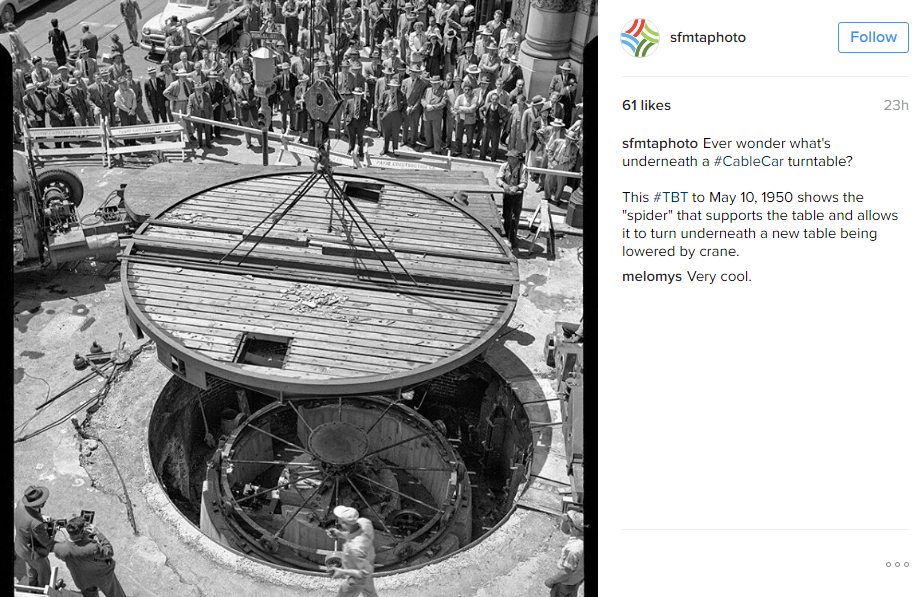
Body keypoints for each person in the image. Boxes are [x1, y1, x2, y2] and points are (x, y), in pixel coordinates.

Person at [54, 516, 127, 597]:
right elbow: (109, 552)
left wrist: (81, 539)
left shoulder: (59, 548)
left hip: (82, 580)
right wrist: (98, 533)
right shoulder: (92, 547)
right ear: (82, 532)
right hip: (102, 576)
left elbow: (73, 551)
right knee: (115, 594)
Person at [326, 506, 379, 597]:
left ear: (346, 524)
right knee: (370, 594)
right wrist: (339, 534)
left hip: (357, 579)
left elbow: (364, 573)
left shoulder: (354, 549)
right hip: (367, 562)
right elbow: (357, 534)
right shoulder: (365, 522)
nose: (338, 521)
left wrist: (340, 572)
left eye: (340, 520)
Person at [14, 486, 54, 587]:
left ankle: (32, 584)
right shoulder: (36, 523)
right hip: (32, 551)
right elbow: (46, 542)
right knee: (44, 571)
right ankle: (43, 589)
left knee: (30, 565)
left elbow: (26, 518)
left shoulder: (20, 503)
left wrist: (41, 517)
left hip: (20, 546)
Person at [544, 510, 585, 597]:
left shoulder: (573, 550)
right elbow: (566, 531)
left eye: (570, 523)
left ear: (574, 528)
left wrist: (551, 580)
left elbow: (566, 573)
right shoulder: (580, 538)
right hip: (577, 580)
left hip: (565, 584)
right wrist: (566, 520)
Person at [496, 149, 527, 251]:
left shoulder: (523, 168)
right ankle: (505, 239)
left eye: (510, 157)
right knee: (506, 216)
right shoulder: (504, 166)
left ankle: (513, 241)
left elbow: (524, 183)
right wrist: (504, 184)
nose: (508, 159)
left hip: (517, 196)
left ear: (516, 159)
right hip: (507, 195)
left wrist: (517, 187)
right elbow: (498, 179)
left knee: (514, 218)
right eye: (508, 157)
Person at [401, 64, 428, 147]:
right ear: (410, 72)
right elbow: (402, 95)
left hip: (416, 108)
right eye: (413, 72)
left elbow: (420, 98)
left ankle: (413, 141)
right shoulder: (404, 81)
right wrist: (406, 106)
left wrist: (413, 107)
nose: (414, 74)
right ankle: (404, 140)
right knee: (405, 125)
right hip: (406, 106)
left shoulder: (422, 83)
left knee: (414, 125)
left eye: (416, 72)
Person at [421, 74, 447, 154]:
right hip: (427, 114)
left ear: (439, 83)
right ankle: (429, 144)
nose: (434, 85)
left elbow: (443, 103)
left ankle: (437, 149)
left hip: (436, 115)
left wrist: (432, 107)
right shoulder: (427, 90)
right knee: (427, 131)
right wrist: (426, 105)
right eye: (433, 83)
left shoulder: (444, 92)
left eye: (436, 83)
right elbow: (422, 99)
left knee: (437, 133)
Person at [378, 75, 404, 155]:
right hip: (387, 114)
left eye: (395, 87)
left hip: (396, 115)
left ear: (397, 87)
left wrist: (401, 115)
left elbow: (405, 105)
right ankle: (385, 149)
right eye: (391, 87)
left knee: (395, 134)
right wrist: (382, 114)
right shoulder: (385, 93)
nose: (393, 88)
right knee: (386, 134)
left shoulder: (401, 94)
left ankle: (395, 150)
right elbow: (380, 104)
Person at [479, 91, 507, 161]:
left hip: (496, 128)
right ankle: (482, 156)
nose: (494, 101)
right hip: (487, 127)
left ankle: (493, 158)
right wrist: (483, 117)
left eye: (496, 99)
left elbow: (508, 113)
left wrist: (503, 120)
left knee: (495, 144)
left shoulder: (501, 107)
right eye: (493, 99)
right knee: (484, 142)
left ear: (498, 100)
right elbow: (480, 110)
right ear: (491, 99)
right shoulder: (487, 105)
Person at [453, 80, 477, 158]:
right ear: (463, 90)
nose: (467, 91)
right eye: (465, 89)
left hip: (469, 121)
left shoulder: (474, 98)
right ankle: (458, 150)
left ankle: (469, 152)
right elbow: (455, 107)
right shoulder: (460, 97)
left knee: (469, 138)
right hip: (460, 120)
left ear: (471, 90)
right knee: (458, 136)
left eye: (468, 90)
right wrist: (466, 109)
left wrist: (461, 108)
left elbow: (472, 109)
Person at [344, 87, 370, 159]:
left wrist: (366, 122)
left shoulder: (365, 102)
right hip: (352, 121)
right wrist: (347, 120)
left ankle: (360, 152)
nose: (358, 96)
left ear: (361, 95)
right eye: (356, 95)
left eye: (359, 95)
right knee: (351, 138)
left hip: (360, 122)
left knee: (360, 138)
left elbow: (368, 113)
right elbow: (346, 112)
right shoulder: (349, 101)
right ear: (354, 95)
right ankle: (350, 150)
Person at [187, 81, 213, 149]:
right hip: (198, 115)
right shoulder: (191, 96)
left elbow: (210, 106)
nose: (199, 90)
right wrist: (188, 113)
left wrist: (211, 116)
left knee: (208, 130)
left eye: (201, 88)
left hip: (206, 114)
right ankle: (200, 144)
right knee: (199, 130)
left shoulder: (207, 95)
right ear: (195, 89)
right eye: (198, 89)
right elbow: (189, 106)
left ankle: (208, 143)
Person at [207, 69, 227, 139]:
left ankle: (217, 134)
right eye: (211, 78)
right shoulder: (205, 86)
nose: (213, 79)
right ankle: (210, 134)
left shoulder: (219, 85)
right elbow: (204, 97)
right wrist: (210, 105)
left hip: (217, 106)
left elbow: (221, 96)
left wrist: (216, 104)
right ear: (209, 78)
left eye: (214, 78)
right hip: (208, 106)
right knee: (208, 120)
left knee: (217, 119)